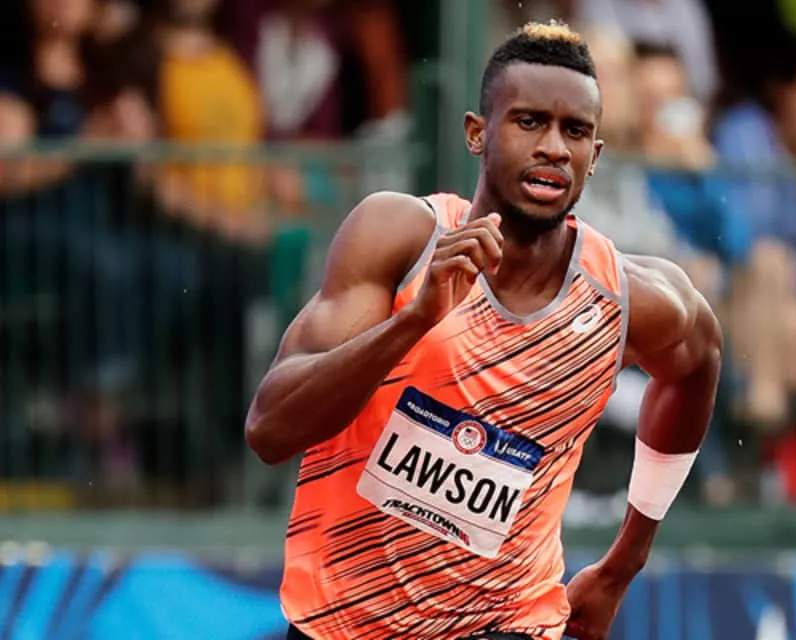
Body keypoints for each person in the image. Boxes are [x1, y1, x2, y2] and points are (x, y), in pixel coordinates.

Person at [246, 21, 721, 640]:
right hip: (340, 621)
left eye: (575, 131)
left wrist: (623, 562)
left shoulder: (628, 299)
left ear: (595, 157)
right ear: (477, 133)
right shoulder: (399, 240)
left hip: (507, 622)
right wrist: (412, 322)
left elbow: (699, 362)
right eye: (529, 122)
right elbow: (269, 431)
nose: (554, 147)